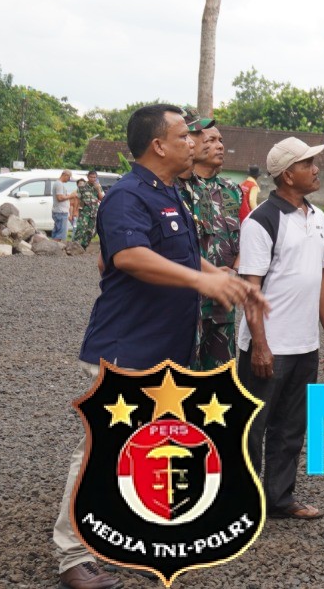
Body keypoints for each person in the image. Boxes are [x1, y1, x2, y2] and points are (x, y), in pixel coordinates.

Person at [51, 104, 263, 589]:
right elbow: (129, 256)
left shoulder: (169, 193)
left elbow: (185, 255)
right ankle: (72, 556)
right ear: (158, 145)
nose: (194, 142)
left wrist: (223, 277)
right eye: (184, 135)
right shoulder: (127, 196)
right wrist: (200, 281)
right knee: (101, 453)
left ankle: (131, 540)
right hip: (128, 347)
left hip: (166, 351)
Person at [237, 137, 324, 521]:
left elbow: (322, 278)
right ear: (286, 174)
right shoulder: (261, 220)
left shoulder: (317, 216)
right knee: (253, 427)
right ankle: (244, 506)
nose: (316, 169)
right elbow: (251, 288)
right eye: (307, 164)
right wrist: (260, 345)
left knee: (292, 427)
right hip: (269, 344)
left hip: (304, 345)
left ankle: (279, 499)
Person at [178, 117, 244, 369]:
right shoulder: (175, 189)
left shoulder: (232, 190)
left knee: (219, 378)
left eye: (220, 140)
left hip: (221, 303)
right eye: (211, 140)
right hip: (188, 302)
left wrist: (235, 271)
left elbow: (246, 236)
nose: (220, 146)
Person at [68, 171, 104, 249]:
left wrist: (98, 189)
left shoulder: (98, 186)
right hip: (84, 212)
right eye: (91, 177)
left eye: (94, 177)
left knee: (90, 231)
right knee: (80, 228)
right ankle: (74, 245)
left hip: (94, 212)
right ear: (88, 177)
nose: (93, 179)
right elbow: (77, 199)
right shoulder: (82, 187)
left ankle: (83, 246)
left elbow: (102, 199)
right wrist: (75, 211)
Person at [51, 170, 73, 241]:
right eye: (69, 177)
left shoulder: (58, 183)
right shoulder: (59, 184)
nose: (69, 180)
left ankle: (52, 246)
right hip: (61, 212)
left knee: (57, 232)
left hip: (59, 211)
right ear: (65, 175)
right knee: (60, 234)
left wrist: (67, 196)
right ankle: (55, 246)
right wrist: (71, 196)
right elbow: (60, 198)